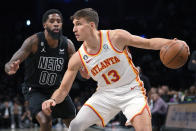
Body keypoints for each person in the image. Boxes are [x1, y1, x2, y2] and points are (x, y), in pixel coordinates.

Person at [42, 8, 190, 131]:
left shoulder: (116, 37)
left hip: (131, 90)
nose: (74, 29)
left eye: (78, 24)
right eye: (74, 25)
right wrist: (53, 100)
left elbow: (149, 43)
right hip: (105, 94)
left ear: (91, 25)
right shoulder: (77, 58)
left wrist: (172, 43)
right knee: (75, 126)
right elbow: (63, 90)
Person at [4, 9, 81, 131]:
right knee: (45, 121)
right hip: (35, 90)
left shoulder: (68, 45)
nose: (56, 23)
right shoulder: (33, 42)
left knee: (75, 124)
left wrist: (86, 70)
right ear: (45, 25)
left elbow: (78, 68)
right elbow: (8, 64)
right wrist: (10, 68)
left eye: (59, 21)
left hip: (57, 90)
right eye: (52, 21)